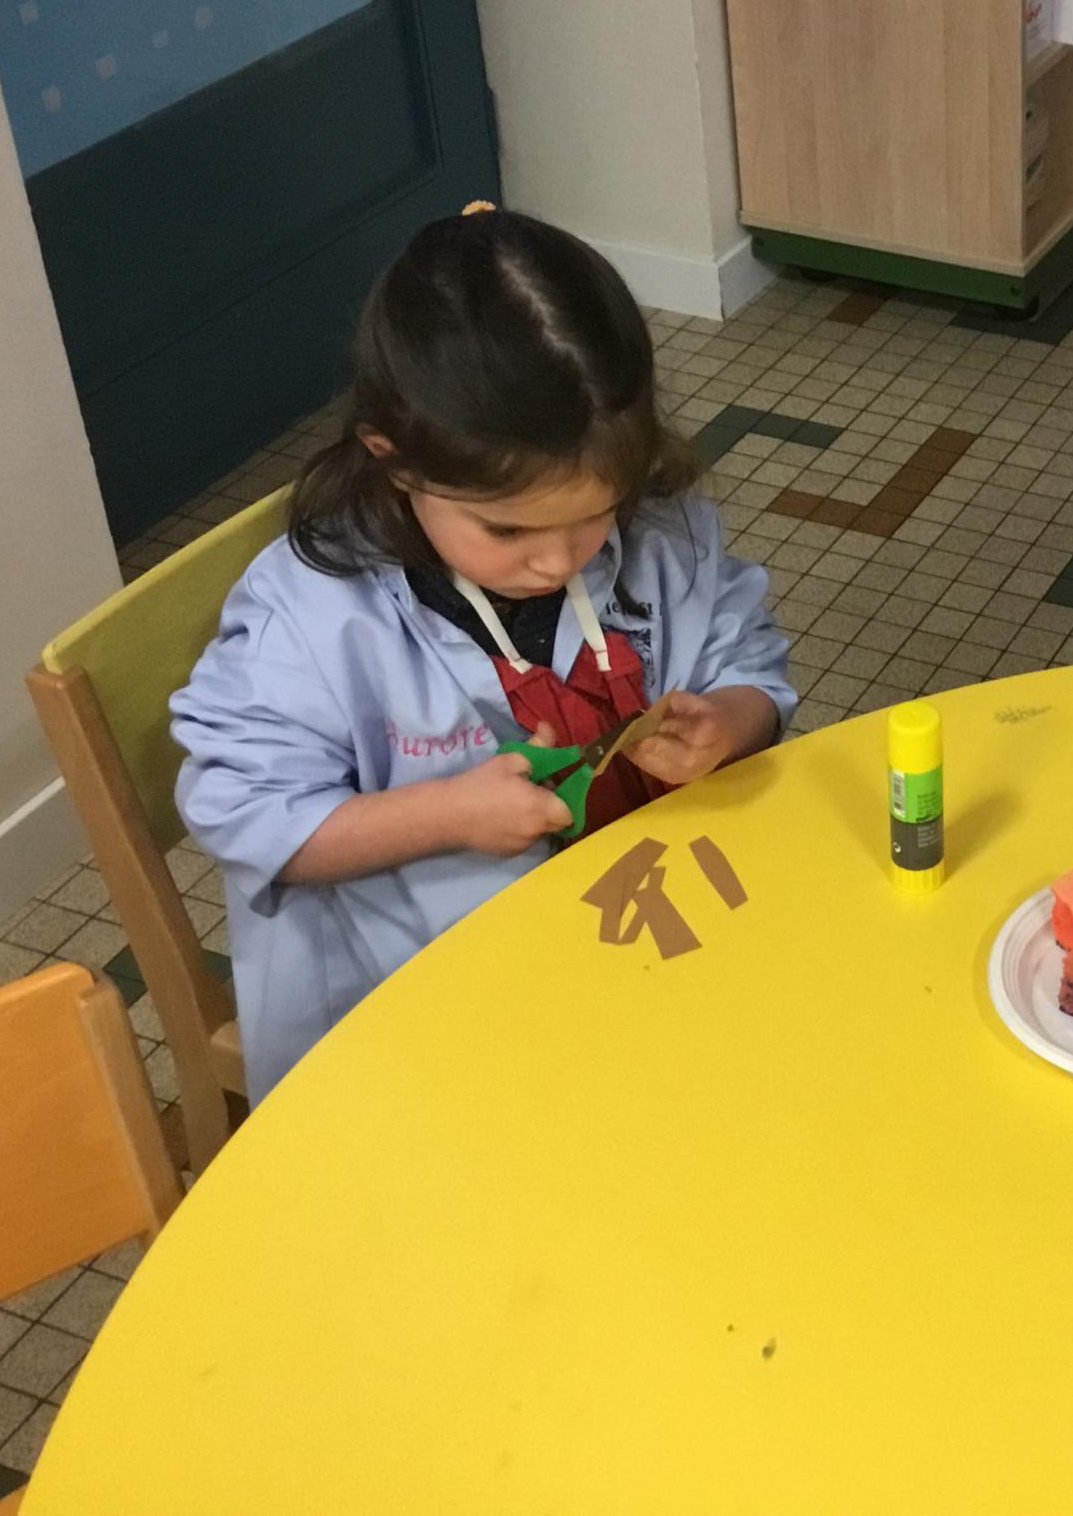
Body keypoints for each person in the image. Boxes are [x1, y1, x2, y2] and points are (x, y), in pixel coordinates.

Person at [173, 203, 799, 1094]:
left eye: (596, 514)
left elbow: (748, 658)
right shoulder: (310, 619)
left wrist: (734, 719)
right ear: (394, 461)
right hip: (417, 1022)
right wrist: (447, 815)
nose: (557, 561)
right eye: (507, 530)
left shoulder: (661, 539)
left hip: (647, 957)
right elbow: (246, 814)